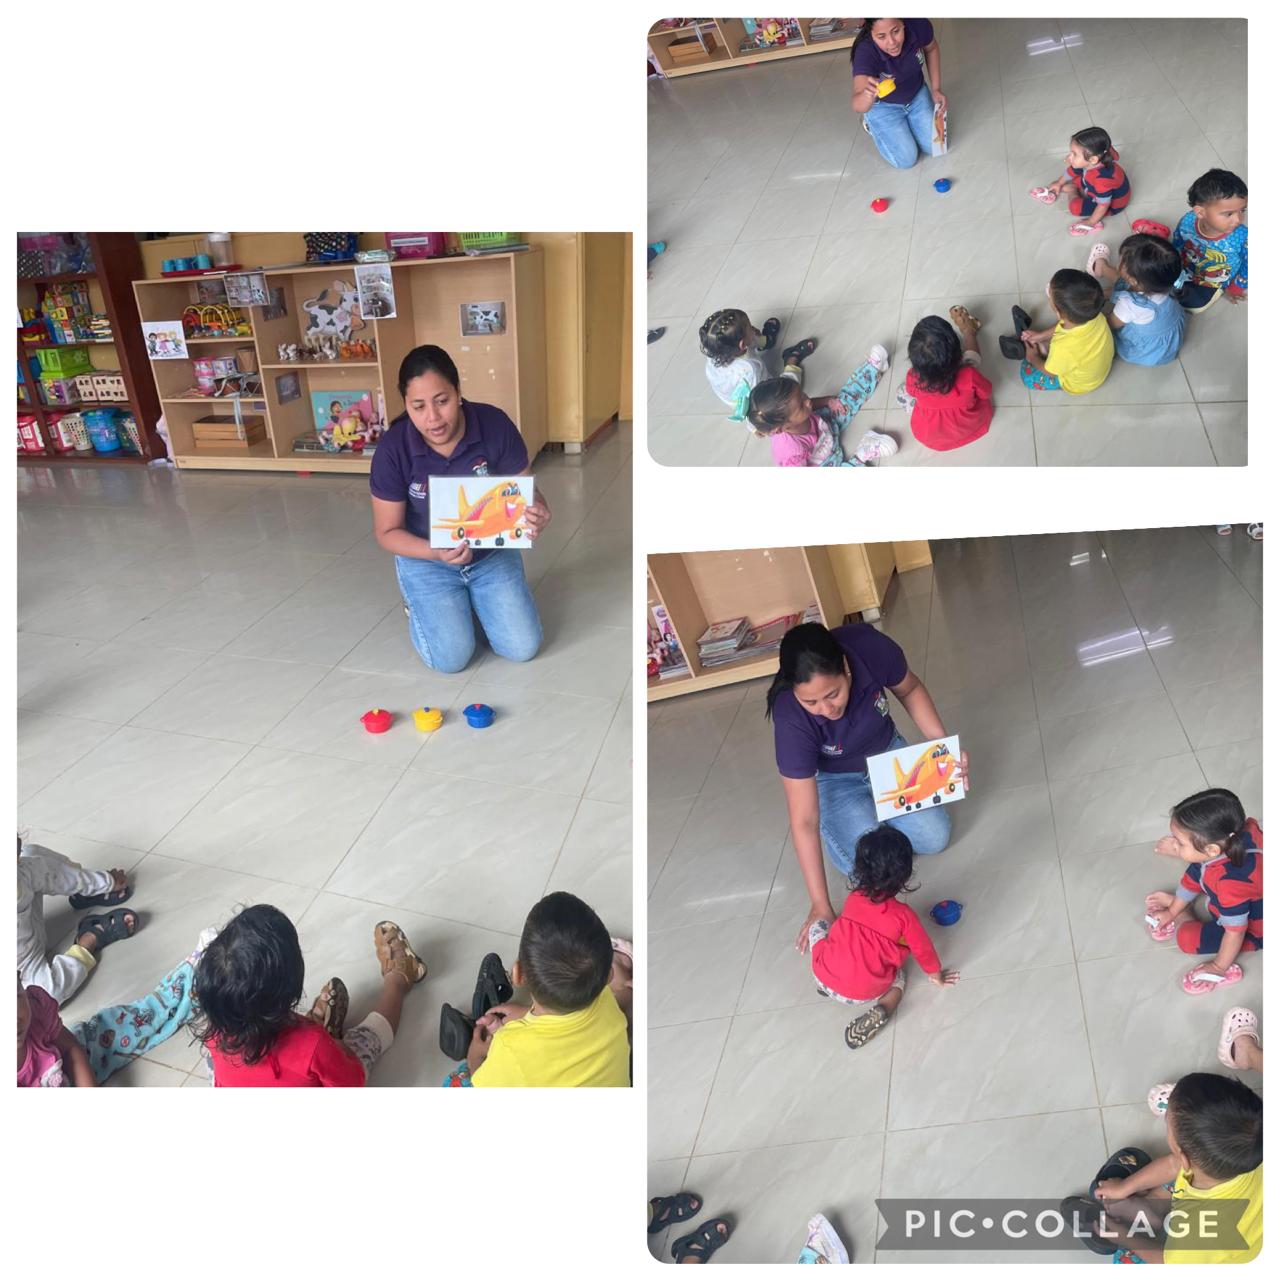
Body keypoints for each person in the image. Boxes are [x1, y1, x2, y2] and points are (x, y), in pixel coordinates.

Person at [766, 621, 969, 952]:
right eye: (811, 702)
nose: (826, 710)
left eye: (833, 694)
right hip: (835, 780)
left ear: (846, 669)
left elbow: (910, 689)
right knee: (864, 869)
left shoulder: (868, 647)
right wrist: (820, 904)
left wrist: (942, 749)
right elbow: (804, 819)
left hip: (887, 756)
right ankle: (858, 817)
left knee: (935, 837)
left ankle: (876, 815)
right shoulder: (790, 716)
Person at [369, 345, 551, 674]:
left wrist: (537, 510)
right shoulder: (393, 449)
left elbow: (526, 491)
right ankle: (418, 602)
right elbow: (386, 532)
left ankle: (471, 601)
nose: (433, 418)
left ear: (458, 392)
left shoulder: (494, 424)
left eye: (442, 401)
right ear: (405, 405)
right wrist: (435, 552)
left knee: (522, 647)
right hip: (427, 559)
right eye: (418, 406)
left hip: (490, 555)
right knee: (450, 660)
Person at [192, 905, 426, 1086]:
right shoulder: (313, 1045)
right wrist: (335, 1048)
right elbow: (352, 1083)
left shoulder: (215, 1033)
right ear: (291, 984)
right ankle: (399, 979)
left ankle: (317, 1030)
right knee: (365, 1042)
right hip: (314, 1053)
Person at [1061, 1073, 1262, 1263]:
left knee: (1129, 1262)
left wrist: (1121, 1236)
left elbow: (1165, 1262)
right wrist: (1124, 1187)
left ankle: (1124, 1233)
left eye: (1167, 1124)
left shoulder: (1203, 1234)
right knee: (1191, 1170)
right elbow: (1175, 1164)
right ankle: (1152, 1207)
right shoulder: (1257, 1146)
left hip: (1209, 1257)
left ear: (1184, 1158)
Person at [445, 892, 631, 1088]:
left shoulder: (510, 1048)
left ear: (518, 975)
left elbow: (483, 1084)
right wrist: (525, 1013)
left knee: (454, 1081)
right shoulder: (606, 998)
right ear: (608, 977)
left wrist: (476, 1054)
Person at [809, 826, 959, 1049]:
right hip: (862, 994)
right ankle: (885, 1007)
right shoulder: (904, 917)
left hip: (823, 974)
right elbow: (923, 950)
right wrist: (936, 975)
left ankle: (824, 987)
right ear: (905, 874)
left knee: (819, 926)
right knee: (898, 980)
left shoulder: (853, 898)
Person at [17, 930, 212, 1087]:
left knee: (129, 1022)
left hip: (68, 1062)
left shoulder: (36, 1009)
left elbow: (70, 1049)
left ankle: (200, 972)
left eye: (16, 995)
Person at [1143, 787, 1262, 995]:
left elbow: (1235, 932)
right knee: (1200, 871)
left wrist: (1218, 967)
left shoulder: (1231, 883)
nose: (1175, 844)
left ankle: (1186, 912)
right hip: (1238, 895)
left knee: (1187, 940)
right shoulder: (1236, 834)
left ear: (1212, 850)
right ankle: (1180, 906)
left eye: (1179, 843)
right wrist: (1170, 911)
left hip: (1256, 929)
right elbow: (1194, 876)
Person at [17, 833, 138, 1003]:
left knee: (32, 855)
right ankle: (88, 940)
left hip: (25, 930)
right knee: (46, 997)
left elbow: (52, 873)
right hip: (24, 966)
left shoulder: (20, 872)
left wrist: (105, 882)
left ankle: (85, 890)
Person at [746, 347, 897, 466]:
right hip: (824, 461)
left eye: (802, 395)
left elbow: (811, 403)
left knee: (843, 401)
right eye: (801, 405)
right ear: (782, 428)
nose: (808, 401)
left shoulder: (800, 409)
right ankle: (863, 452)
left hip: (824, 424)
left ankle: (872, 368)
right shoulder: (791, 453)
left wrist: (828, 401)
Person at [849, 19, 946, 170]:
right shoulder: (865, 51)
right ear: (871, 33)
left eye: (896, 31)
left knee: (935, 147)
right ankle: (870, 123)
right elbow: (857, 105)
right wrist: (867, 96)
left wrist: (936, 89)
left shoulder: (918, 25)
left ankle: (908, 123)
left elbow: (931, 49)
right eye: (881, 36)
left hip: (916, 94)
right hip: (883, 106)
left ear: (903, 23)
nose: (892, 42)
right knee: (906, 160)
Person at [897, 306, 993, 452]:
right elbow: (986, 393)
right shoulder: (968, 375)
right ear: (958, 352)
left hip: (929, 438)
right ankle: (968, 331)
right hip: (973, 428)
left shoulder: (913, 377)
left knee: (901, 392)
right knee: (972, 360)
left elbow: (910, 392)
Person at [1002, 270, 1114, 394]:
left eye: (1050, 295)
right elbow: (1063, 324)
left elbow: (1050, 372)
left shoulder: (1063, 348)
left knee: (1027, 375)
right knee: (1057, 350)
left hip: (1082, 383)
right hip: (1095, 363)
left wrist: (1032, 357)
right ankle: (1043, 348)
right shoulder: (1093, 314)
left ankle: (1041, 352)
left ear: (1058, 312)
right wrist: (1041, 336)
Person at [699, 308, 817, 423]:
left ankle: (766, 341)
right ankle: (791, 359)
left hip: (729, 395)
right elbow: (755, 400)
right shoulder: (750, 370)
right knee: (789, 389)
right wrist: (756, 424)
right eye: (750, 327)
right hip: (753, 394)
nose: (753, 328)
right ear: (742, 345)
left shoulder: (715, 352)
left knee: (750, 338)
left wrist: (750, 333)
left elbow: (745, 342)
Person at [1086, 233, 1186, 366]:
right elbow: (1130, 281)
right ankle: (1102, 270)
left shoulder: (1130, 305)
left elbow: (1110, 324)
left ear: (1133, 281)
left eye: (1121, 260)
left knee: (1120, 288)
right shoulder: (1165, 280)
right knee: (1125, 282)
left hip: (1147, 352)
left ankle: (1103, 271)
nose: (1119, 260)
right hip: (1165, 337)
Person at [1028, 126, 1130, 236]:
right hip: (1096, 185)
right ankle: (1077, 186)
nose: (1069, 157)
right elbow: (1074, 170)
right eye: (1070, 152)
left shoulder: (1102, 180)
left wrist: (1091, 221)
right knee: (1078, 171)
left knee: (1075, 208)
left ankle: (1072, 190)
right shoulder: (1095, 160)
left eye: (1074, 154)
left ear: (1093, 159)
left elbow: (1103, 205)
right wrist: (1059, 182)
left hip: (1111, 205)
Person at [1172, 168, 1248, 313]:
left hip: (1215, 280)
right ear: (1201, 212)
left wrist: (1236, 287)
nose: (1238, 219)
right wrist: (1172, 260)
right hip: (1186, 266)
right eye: (1229, 214)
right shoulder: (1188, 221)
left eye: (1242, 210)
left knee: (1194, 306)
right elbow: (1178, 240)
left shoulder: (1243, 237)